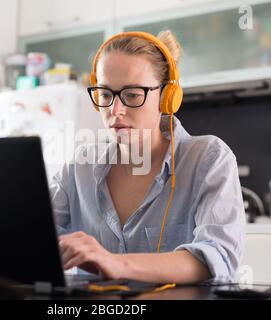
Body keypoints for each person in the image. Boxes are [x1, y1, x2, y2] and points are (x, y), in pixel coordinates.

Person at [49, 30, 245, 285]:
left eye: (132, 95)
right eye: (106, 95)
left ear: (165, 97)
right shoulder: (80, 166)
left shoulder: (207, 159)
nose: (115, 111)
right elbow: (32, 236)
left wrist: (115, 263)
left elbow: (218, 256)